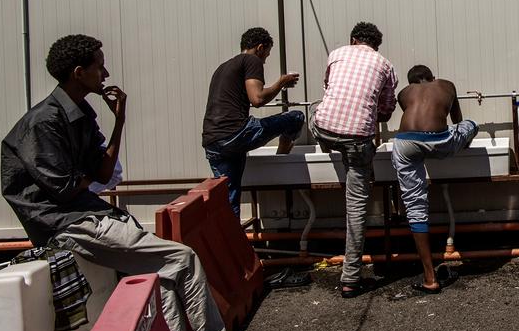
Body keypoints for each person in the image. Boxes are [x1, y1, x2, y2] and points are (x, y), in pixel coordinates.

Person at [2, 35, 269, 331]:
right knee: (182, 258)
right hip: (67, 223)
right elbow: (65, 188)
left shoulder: (81, 115)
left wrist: (120, 120)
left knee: (159, 280)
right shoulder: (45, 122)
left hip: (86, 211)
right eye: (99, 65)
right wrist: (87, 175)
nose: (106, 72)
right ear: (79, 73)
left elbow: (103, 170)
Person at [310, 22, 397, 298]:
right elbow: (385, 110)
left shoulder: (336, 53)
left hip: (324, 128)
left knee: (316, 112)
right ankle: (350, 281)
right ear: (376, 45)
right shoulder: (385, 66)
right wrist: (373, 116)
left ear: (353, 39)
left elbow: (329, 88)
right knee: (356, 207)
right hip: (358, 139)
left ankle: (326, 145)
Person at [392, 65, 478, 293]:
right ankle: (464, 143)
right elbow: (456, 119)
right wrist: (462, 143)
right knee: (471, 125)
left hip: (404, 142)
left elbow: (414, 116)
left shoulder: (404, 93)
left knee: (415, 206)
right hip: (440, 140)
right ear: (431, 77)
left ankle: (430, 278)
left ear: (411, 83)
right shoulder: (446, 85)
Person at [202, 27, 303, 216]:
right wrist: (281, 82)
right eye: (267, 54)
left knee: (229, 202)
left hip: (213, 142)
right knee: (296, 117)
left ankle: (231, 244)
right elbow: (257, 99)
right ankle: (282, 157)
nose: (265, 59)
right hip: (236, 133)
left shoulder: (222, 67)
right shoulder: (251, 60)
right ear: (260, 47)